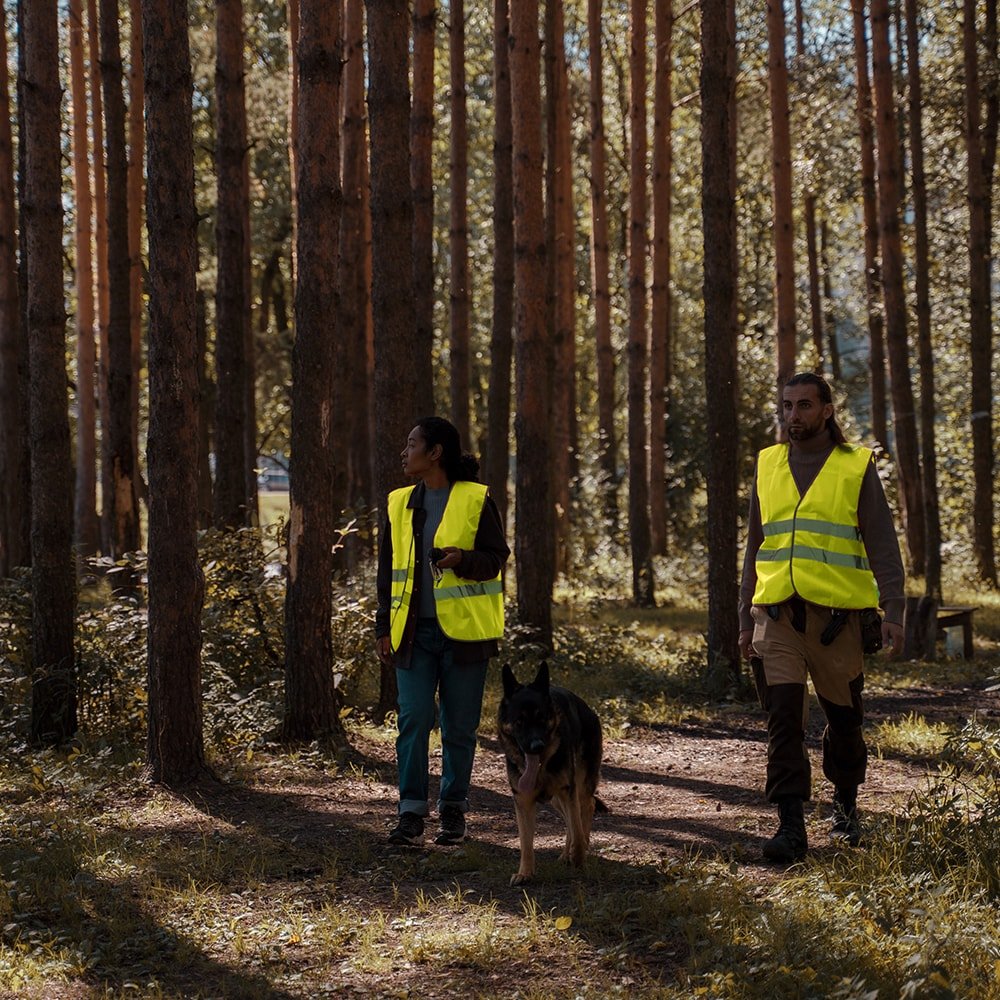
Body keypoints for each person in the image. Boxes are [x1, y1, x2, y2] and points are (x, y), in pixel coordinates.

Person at [739, 372, 905, 863]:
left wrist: (893, 608)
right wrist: (745, 619)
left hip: (838, 623)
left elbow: (882, 541)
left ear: (827, 410)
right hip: (776, 616)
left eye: (805, 405)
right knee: (783, 720)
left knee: (845, 723)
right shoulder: (768, 463)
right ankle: (790, 827)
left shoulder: (854, 465)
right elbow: (755, 546)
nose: (794, 415)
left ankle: (846, 807)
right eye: (787, 405)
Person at [375, 416, 510, 847]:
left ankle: (453, 810)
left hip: (466, 635)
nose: (404, 452)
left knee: (459, 728)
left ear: (435, 453)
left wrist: (462, 560)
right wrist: (382, 626)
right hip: (412, 634)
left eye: (412, 444)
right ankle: (411, 813)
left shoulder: (475, 498)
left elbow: (495, 559)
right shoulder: (399, 503)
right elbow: (386, 573)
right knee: (413, 720)